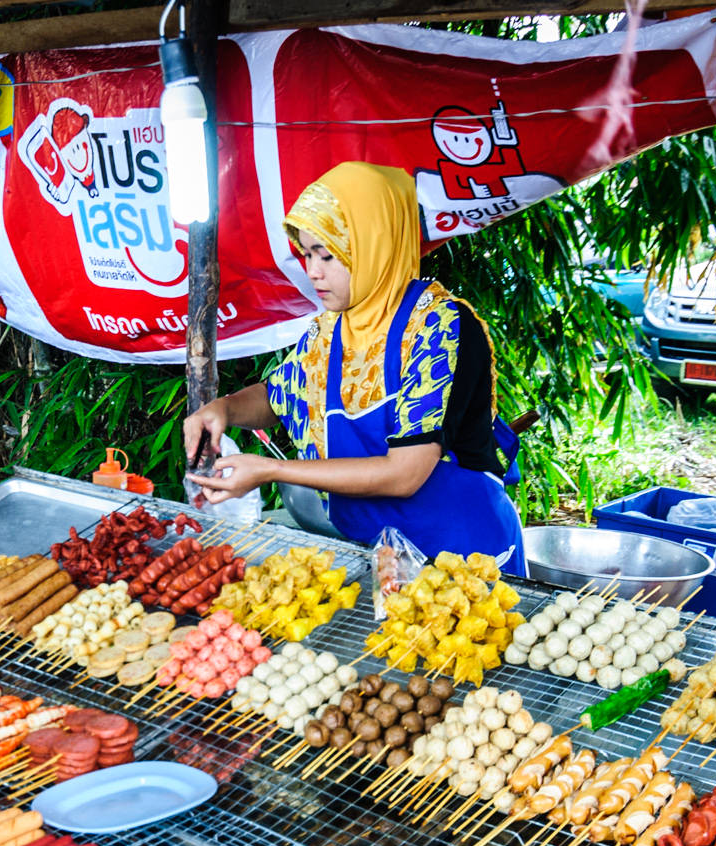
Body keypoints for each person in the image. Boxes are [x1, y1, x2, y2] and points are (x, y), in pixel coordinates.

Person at [184, 161, 526, 566]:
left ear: (374, 244)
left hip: (464, 557)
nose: (313, 271)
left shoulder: (440, 328)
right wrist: (222, 408)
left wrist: (273, 470)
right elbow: (276, 398)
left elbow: (405, 474)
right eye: (306, 253)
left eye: (327, 255)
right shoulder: (329, 333)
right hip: (380, 558)